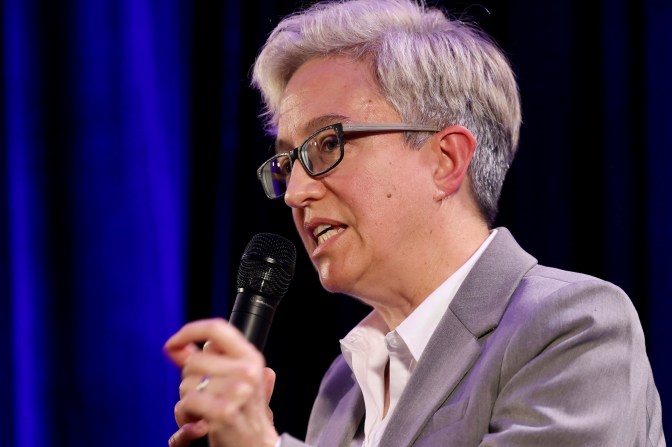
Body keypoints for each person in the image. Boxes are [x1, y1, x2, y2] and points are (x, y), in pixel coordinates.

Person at [164, 0, 666, 445]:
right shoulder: (342, 389)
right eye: (286, 162)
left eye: (328, 143)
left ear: (446, 160)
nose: (295, 192)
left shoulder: (573, 326)